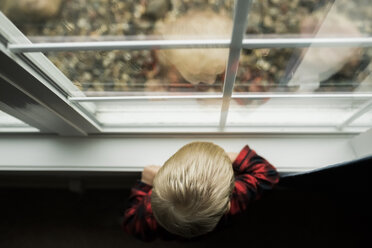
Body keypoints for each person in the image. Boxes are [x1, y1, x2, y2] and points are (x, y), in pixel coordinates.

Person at [122, 141, 279, 241]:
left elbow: (131, 225)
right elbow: (268, 174)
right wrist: (230, 157)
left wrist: (145, 184)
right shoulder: (236, 197)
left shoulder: (150, 214)